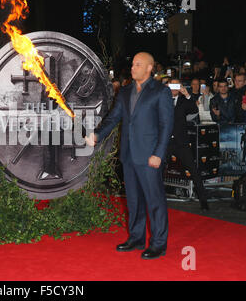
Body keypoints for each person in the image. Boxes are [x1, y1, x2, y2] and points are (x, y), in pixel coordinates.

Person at [85, 52, 174, 260]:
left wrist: (158, 154)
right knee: (133, 201)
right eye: (133, 64)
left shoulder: (161, 92)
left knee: (155, 201)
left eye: (138, 64)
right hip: (129, 155)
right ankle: (136, 237)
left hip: (150, 156)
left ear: (149, 68)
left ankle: (159, 244)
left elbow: (166, 125)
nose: (133, 67)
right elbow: (113, 117)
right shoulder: (124, 92)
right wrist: (98, 134)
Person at [167, 78, 209, 211]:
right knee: (157, 170)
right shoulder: (162, 99)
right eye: (171, 85)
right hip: (166, 141)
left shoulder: (184, 100)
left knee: (194, 170)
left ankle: (203, 200)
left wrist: (187, 94)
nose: (174, 88)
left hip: (181, 142)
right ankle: (153, 197)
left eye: (176, 85)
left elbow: (193, 110)